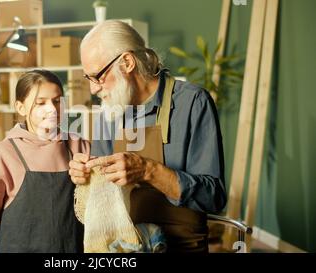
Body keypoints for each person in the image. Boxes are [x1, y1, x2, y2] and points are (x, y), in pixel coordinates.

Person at [68, 20, 227, 253]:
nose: (93, 89)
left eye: (98, 76)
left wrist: (148, 171)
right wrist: (85, 174)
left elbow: (213, 197)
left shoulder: (192, 103)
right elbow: (101, 186)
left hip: (182, 246)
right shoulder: (108, 112)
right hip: (125, 247)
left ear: (127, 62)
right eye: (88, 78)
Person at [0, 70, 90, 253]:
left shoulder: (78, 146)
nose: (52, 109)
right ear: (20, 107)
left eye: (57, 101)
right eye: (41, 103)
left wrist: (93, 173)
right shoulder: (5, 153)